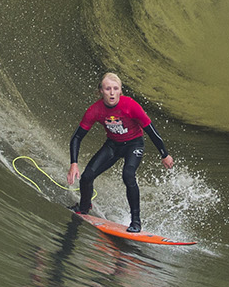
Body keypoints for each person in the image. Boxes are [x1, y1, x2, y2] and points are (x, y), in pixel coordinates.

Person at [66, 73, 174, 233]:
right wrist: (73, 163)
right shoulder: (95, 110)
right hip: (113, 145)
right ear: (101, 91)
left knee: (128, 174)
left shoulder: (130, 105)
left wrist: (164, 154)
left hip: (134, 144)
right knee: (87, 176)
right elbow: (77, 137)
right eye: (107, 88)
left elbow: (151, 131)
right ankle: (84, 207)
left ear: (120, 91)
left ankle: (136, 222)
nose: (111, 92)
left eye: (115, 89)